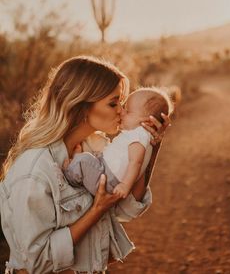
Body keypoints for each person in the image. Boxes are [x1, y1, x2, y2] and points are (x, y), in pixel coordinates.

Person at [0, 56, 170, 274]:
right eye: (113, 103)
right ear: (80, 105)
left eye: (122, 102)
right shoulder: (34, 171)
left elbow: (128, 208)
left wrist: (150, 145)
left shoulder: (97, 149)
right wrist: (97, 210)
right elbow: (38, 262)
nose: (121, 110)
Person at [63, 87, 173, 199]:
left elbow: (136, 163)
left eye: (128, 111)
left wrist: (125, 185)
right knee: (86, 159)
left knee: (84, 160)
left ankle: (70, 171)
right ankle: (77, 164)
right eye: (113, 104)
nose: (122, 112)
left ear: (148, 122)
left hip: (108, 178)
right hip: (104, 171)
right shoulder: (139, 136)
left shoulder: (139, 136)